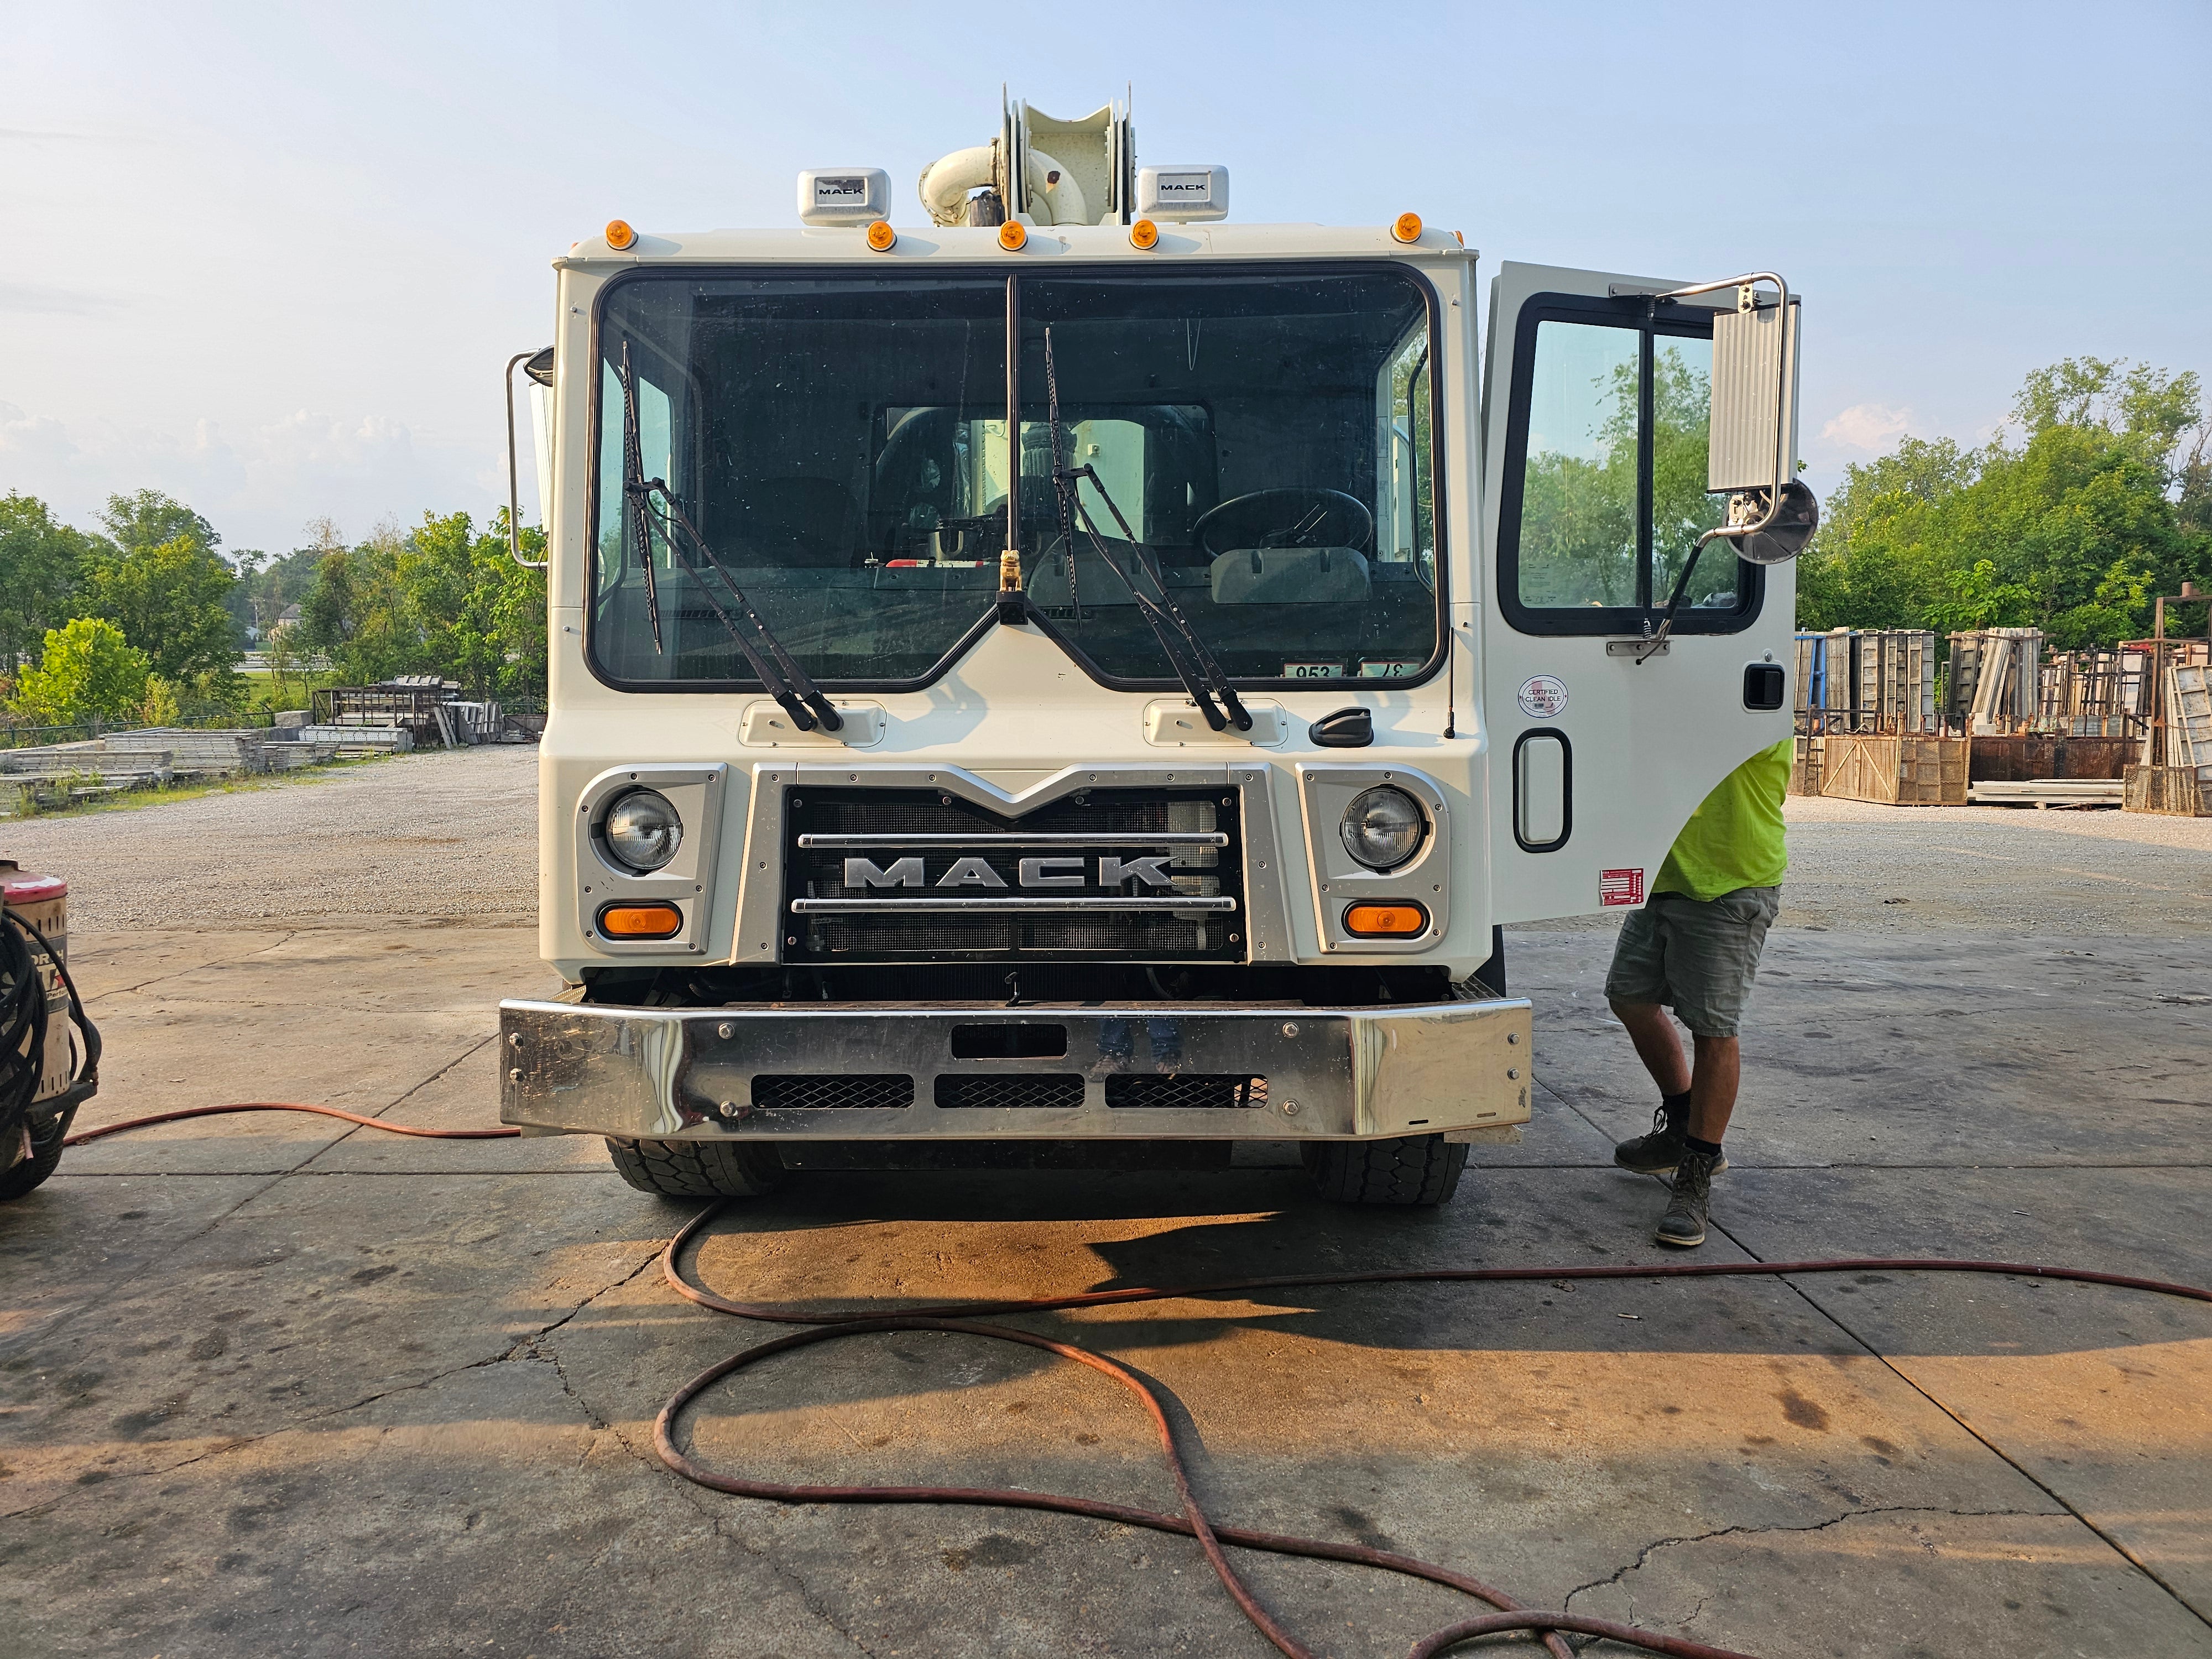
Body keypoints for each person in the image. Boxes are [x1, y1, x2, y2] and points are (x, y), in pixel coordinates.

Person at [1604, 737, 1792, 1248]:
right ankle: (1682, 1121)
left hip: (1728, 885)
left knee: (1713, 1031)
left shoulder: (1752, 712)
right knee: (1629, 997)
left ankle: (1699, 1167)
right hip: (1662, 878)